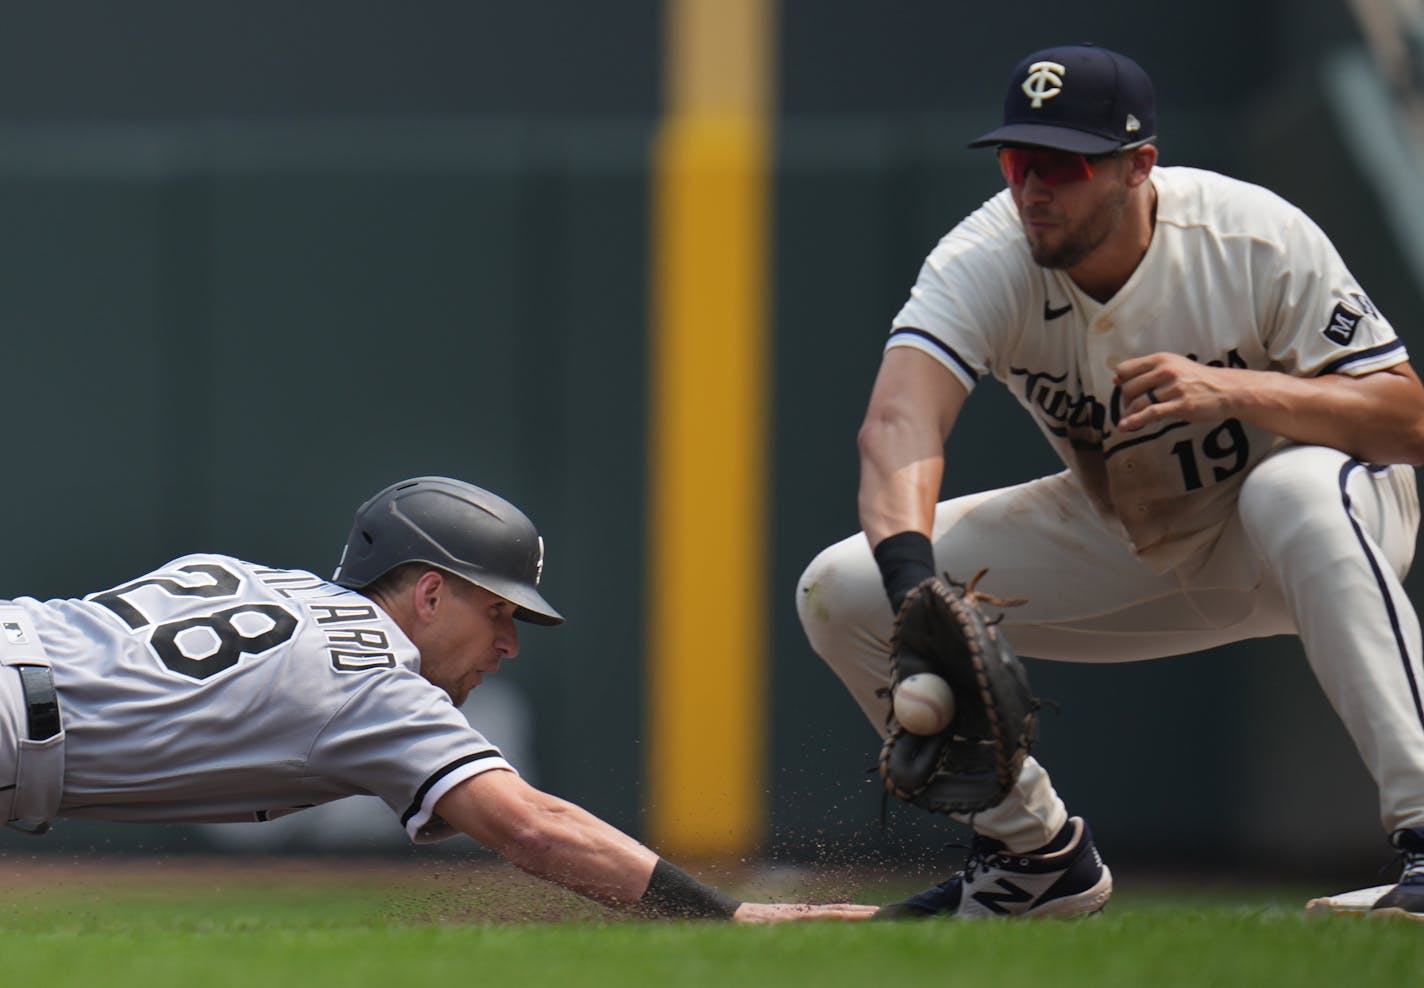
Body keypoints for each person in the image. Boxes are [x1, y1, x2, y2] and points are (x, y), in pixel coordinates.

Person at [796, 43, 1424, 921]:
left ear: (1137, 168)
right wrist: (915, 595)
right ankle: (1034, 857)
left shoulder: (1249, 237)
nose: (1033, 188)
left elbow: (1408, 420)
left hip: (1313, 525)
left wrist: (1234, 390)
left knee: (1289, 495)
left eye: (1062, 164)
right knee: (842, 587)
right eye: (1018, 161)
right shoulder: (986, 255)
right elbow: (900, 424)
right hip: (1134, 534)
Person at [0, 475, 875, 924]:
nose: (508, 642)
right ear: (428, 595)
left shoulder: (241, 574)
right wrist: (724, 916)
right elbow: (529, 826)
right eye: (497, 611)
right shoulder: (373, 679)